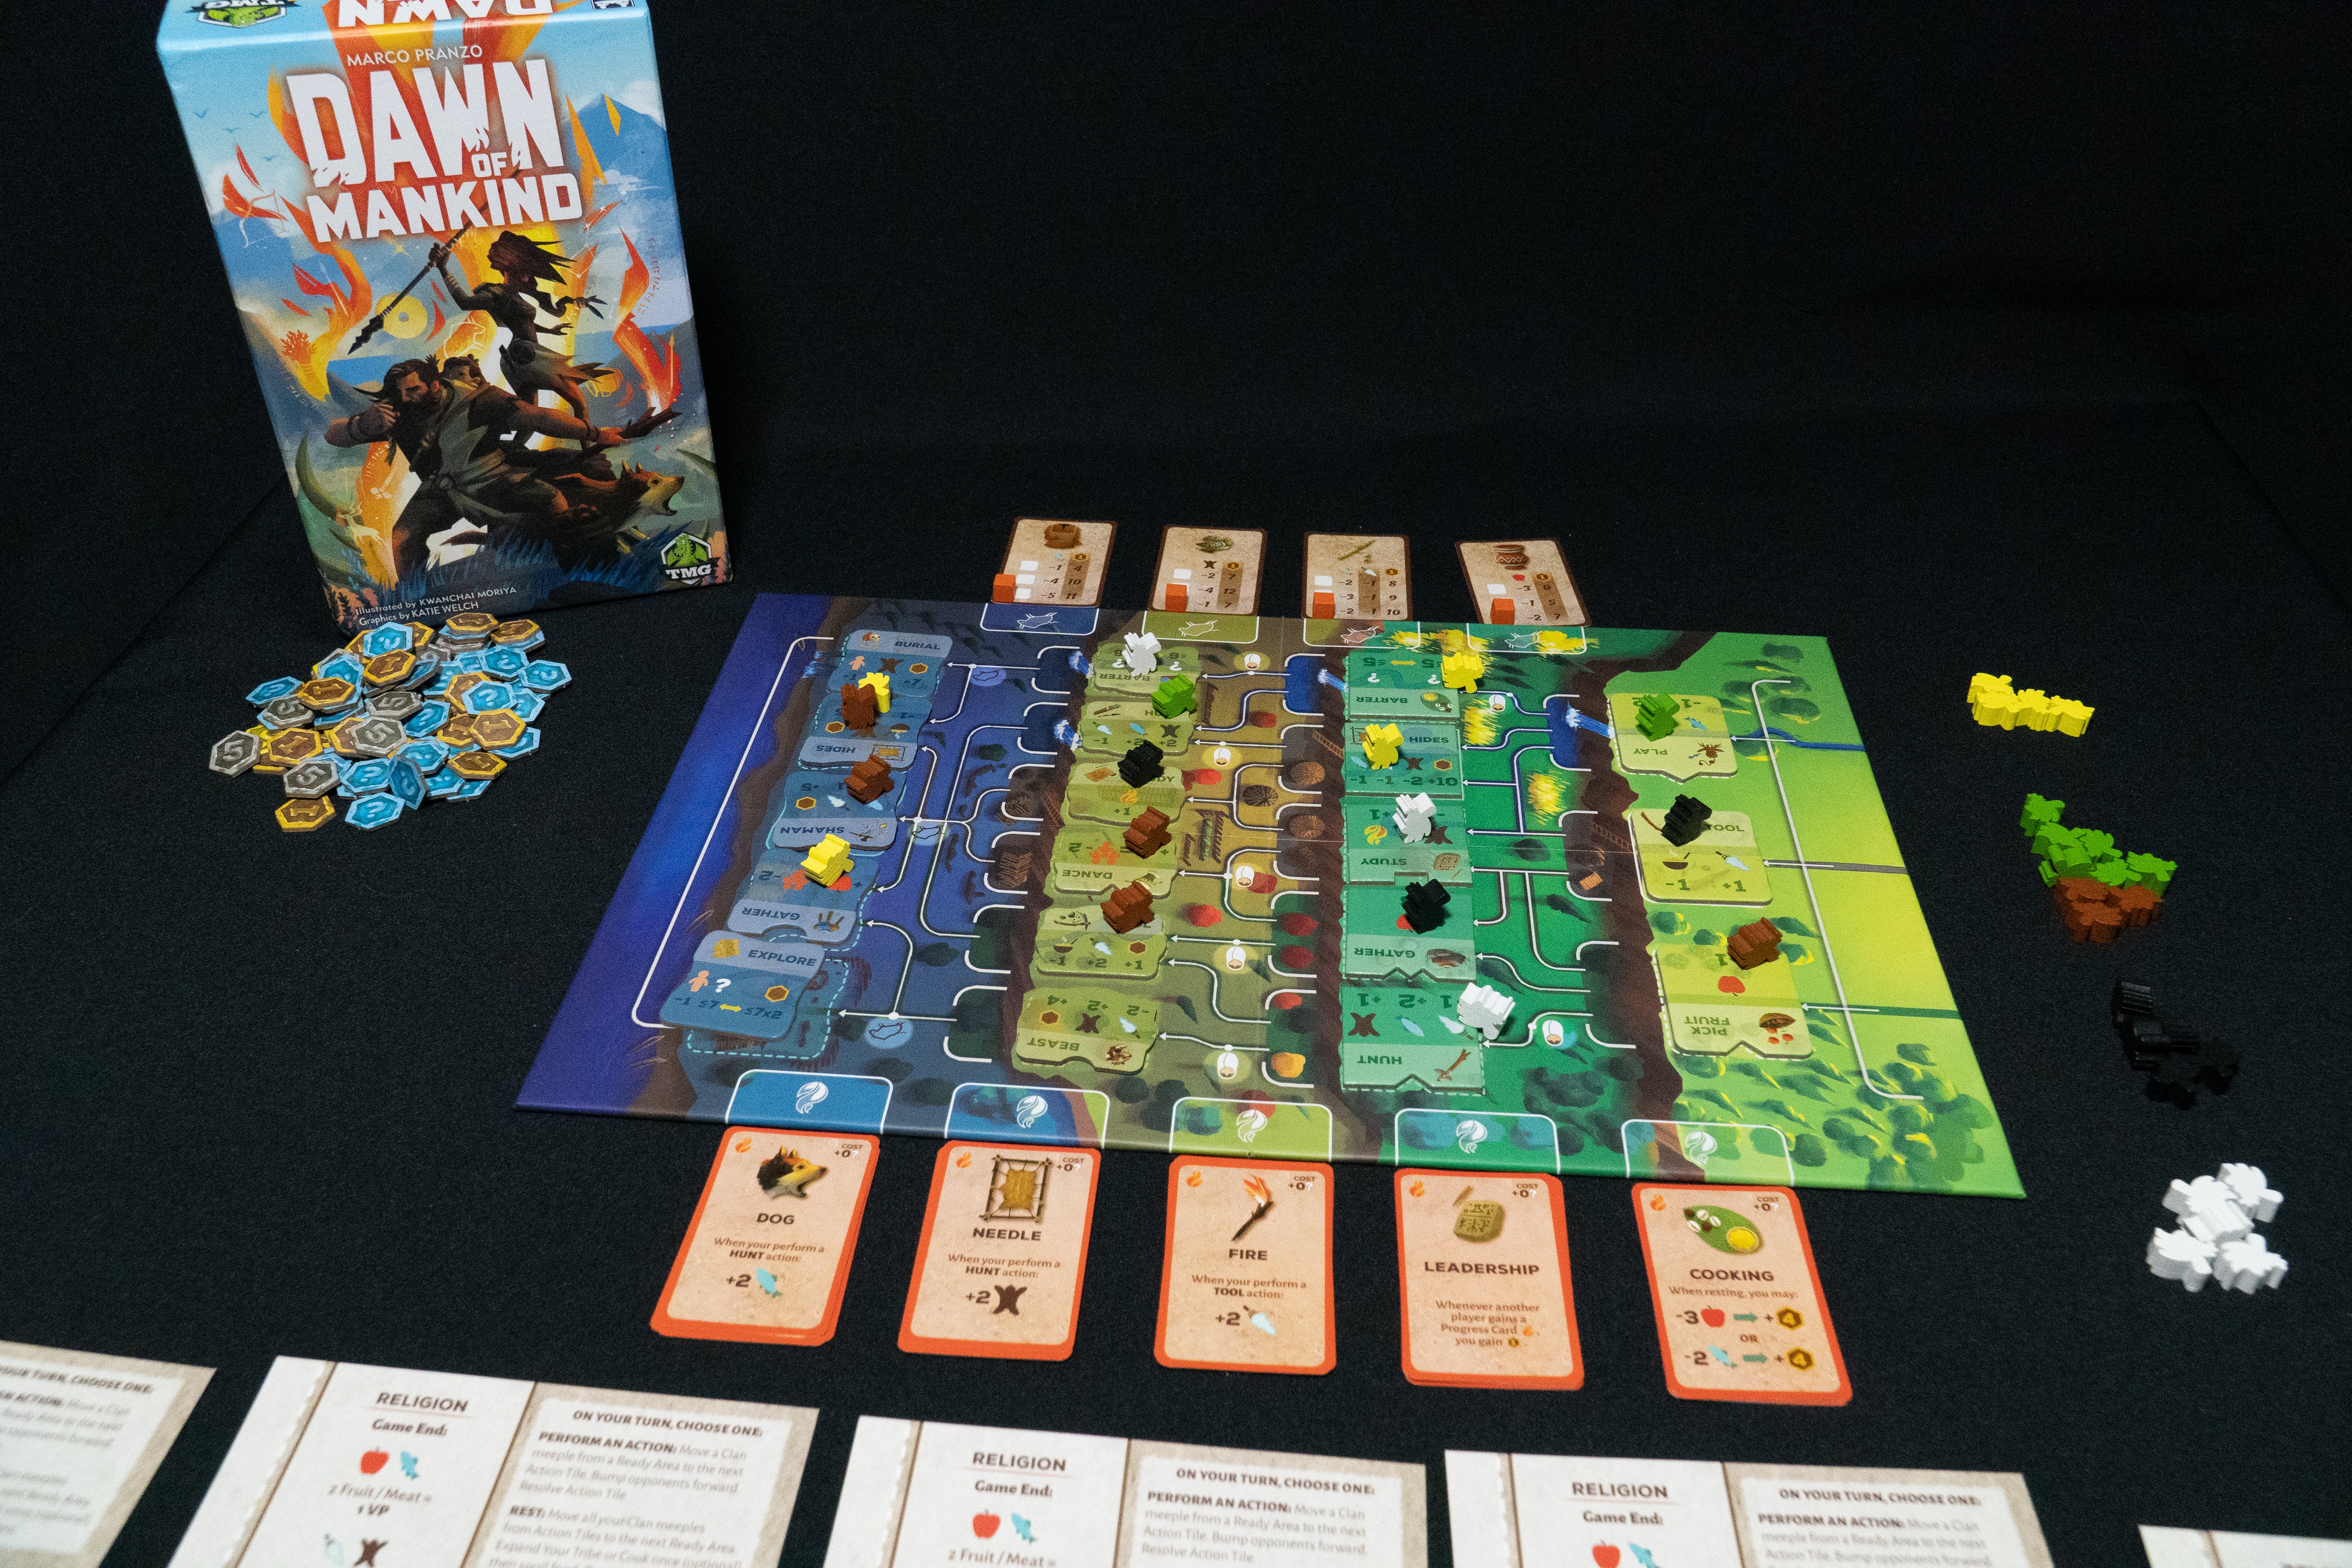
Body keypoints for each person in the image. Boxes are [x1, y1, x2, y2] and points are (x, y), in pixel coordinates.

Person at [325, 357, 651, 579]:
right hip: (439, 489)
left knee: (552, 502)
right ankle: (417, 599)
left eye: (414, 390)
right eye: (401, 393)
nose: (406, 398)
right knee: (402, 539)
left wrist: (594, 433)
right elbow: (333, 435)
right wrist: (362, 425)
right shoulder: (397, 410)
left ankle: (575, 567)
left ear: (436, 385)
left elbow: (539, 418)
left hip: (490, 476)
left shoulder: (482, 400)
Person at [430, 230, 612, 429]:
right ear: (510, 269)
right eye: (525, 272)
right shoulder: (497, 293)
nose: (529, 278)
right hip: (526, 354)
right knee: (577, 401)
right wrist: (443, 269)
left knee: (529, 420)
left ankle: (503, 442)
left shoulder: (511, 296)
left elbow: (529, 321)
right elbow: (465, 302)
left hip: (519, 356)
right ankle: (592, 439)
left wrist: (557, 321)